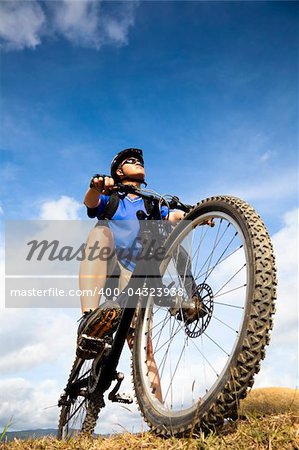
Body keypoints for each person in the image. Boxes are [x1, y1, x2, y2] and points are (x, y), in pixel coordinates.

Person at [77, 149, 183, 400]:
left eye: (140, 161)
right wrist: (96, 184)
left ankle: (158, 417)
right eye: (131, 161)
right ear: (119, 171)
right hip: (114, 267)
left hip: (138, 275)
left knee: (144, 351)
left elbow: (174, 217)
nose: (138, 163)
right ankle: (88, 319)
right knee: (100, 233)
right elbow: (90, 202)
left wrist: (197, 215)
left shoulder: (151, 204)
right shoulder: (113, 198)